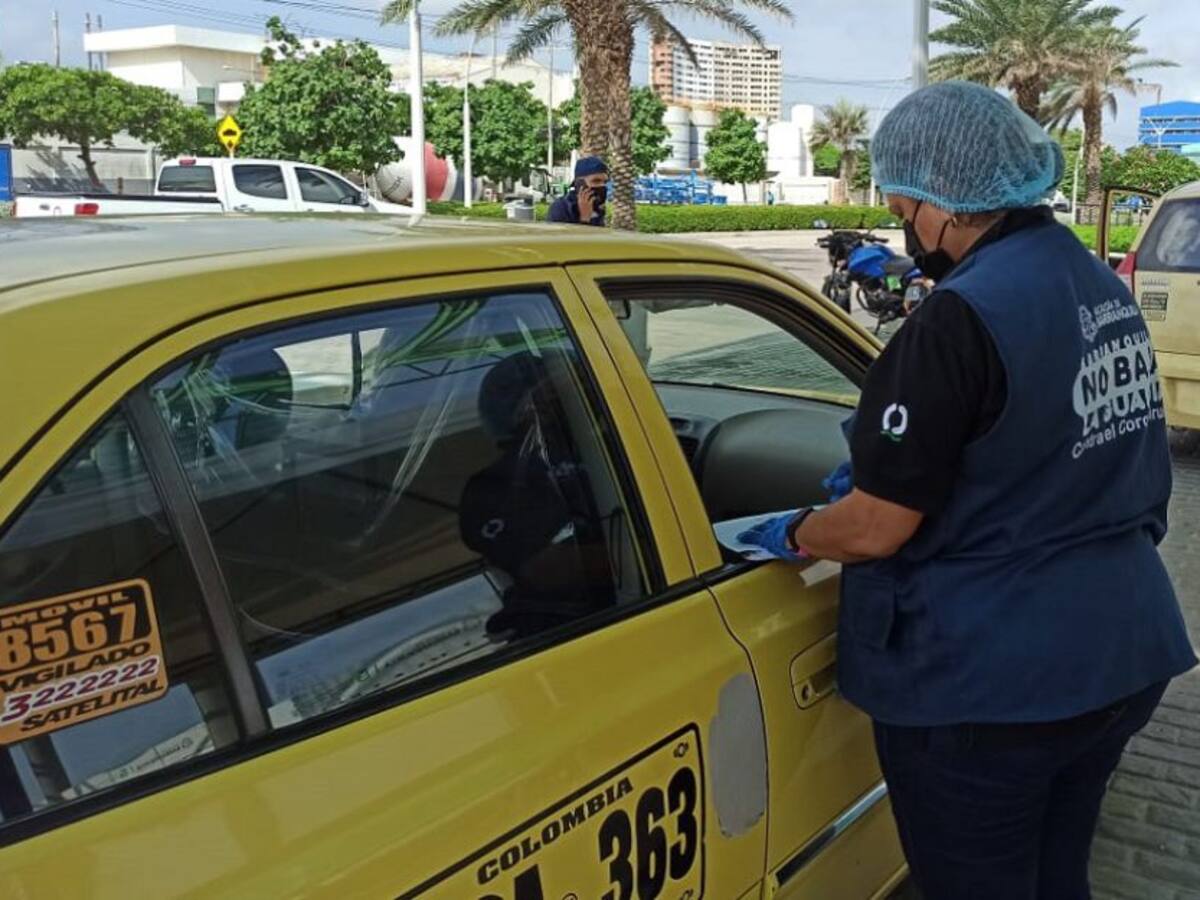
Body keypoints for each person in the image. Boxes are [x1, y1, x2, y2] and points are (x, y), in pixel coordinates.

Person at [739, 81, 1196, 900]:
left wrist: (793, 532)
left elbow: (877, 527)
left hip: (992, 691)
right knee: (1057, 877)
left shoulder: (958, 320)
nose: (905, 229)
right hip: (1122, 649)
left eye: (904, 209)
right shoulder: (1096, 286)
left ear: (944, 205)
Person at [460, 352, 615, 638]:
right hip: (568, 630)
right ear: (528, 409)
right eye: (556, 395)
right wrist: (629, 548)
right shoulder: (491, 488)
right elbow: (543, 570)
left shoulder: (616, 451)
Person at [547, 156, 609, 226]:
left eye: (605, 182)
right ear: (580, 184)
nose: (602, 185)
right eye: (596, 181)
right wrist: (585, 218)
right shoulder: (561, 207)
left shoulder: (597, 208)